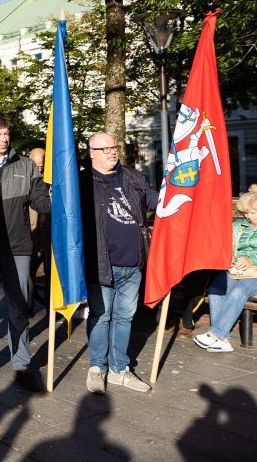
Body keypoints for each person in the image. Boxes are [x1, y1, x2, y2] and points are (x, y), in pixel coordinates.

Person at [0, 117, 50, 392]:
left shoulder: (25, 165)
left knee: (18, 308)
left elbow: (39, 199)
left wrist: (56, 200)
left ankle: (21, 365)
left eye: (6, 133)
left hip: (17, 247)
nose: (4, 139)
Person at [80, 132, 158, 394]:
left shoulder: (132, 176)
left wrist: (183, 191)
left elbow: (154, 199)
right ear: (92, 152)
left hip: (133, 263)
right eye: (106, 149)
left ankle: (118, 370)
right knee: (101, 317)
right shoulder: (81, 181)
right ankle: (96, 367)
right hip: (100, 263)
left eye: (114, 147)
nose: (112, 152)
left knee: (124, 317)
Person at [194, 191, 257, 352]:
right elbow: (228, 249)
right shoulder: (238, 226)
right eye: (245, 212)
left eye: (252, 212)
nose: (248, 216)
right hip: (240, 271)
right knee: (216, 289)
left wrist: (251, 259)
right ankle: (223, 341)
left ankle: (216, 334)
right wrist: (230, 258)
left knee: (239, 291)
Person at [27, 147, 50, 311]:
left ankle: (50, 307)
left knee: (50, 275)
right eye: (37, 166)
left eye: (42, 166)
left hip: (48, 236)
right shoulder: (25, 180)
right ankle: (27, 307)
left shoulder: (51, 181)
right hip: (30, 237)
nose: (40, 169)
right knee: (28, 275)